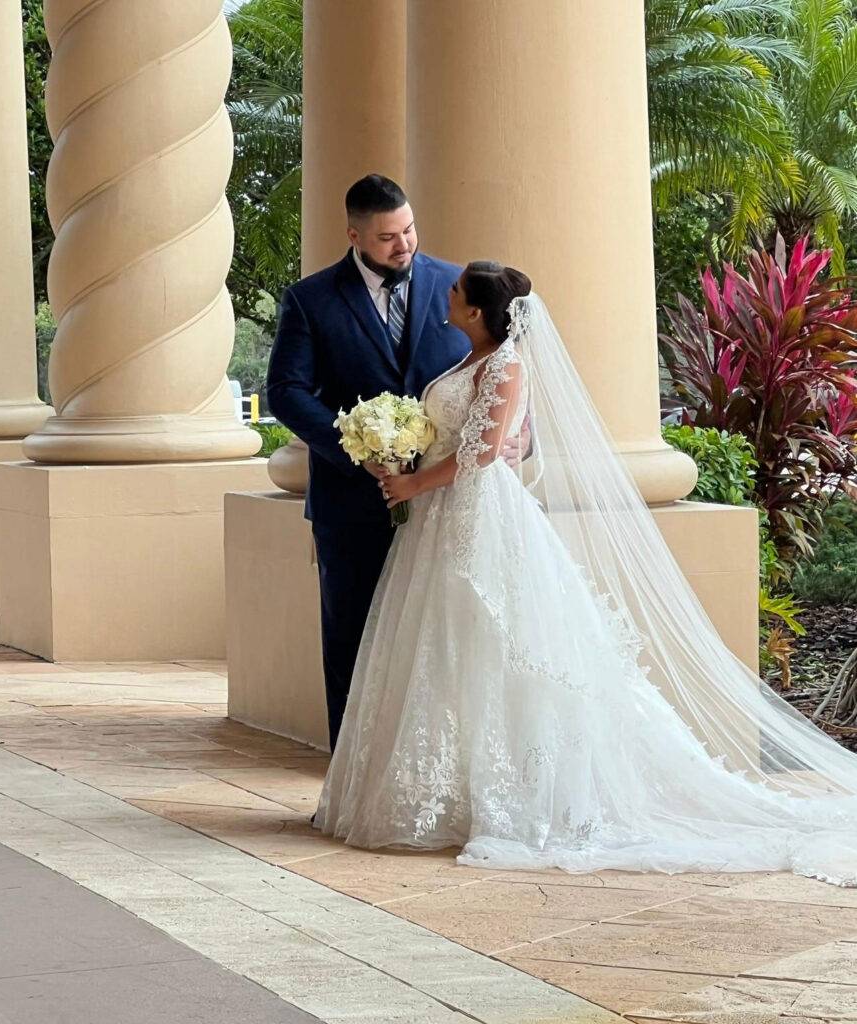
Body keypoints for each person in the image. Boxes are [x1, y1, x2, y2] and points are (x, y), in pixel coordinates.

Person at [315, 260, 857, 887]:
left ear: (478, 311)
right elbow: (505, 441)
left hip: (478, 518)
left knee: (499, 646)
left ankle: (517, 798)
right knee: (444, 648)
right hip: (437, 520)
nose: (448, 292)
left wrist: (413, 479)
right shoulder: (468, 360)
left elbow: (486, 451)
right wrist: (396, 452)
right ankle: (446, 794)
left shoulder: (506, 364)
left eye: (459, 290)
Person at [267, 176, 527, 751]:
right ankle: (352, 778)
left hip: (447, 508)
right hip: (351, 503)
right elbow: (286, 391)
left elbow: (503, 378)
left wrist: (517, 440)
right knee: (354, 640)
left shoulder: (459, 286)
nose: (403, 244)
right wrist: (356, 451)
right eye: (387, 237)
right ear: (355, 235)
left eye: (408, 229)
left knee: (444, 647)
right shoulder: (309, 300)